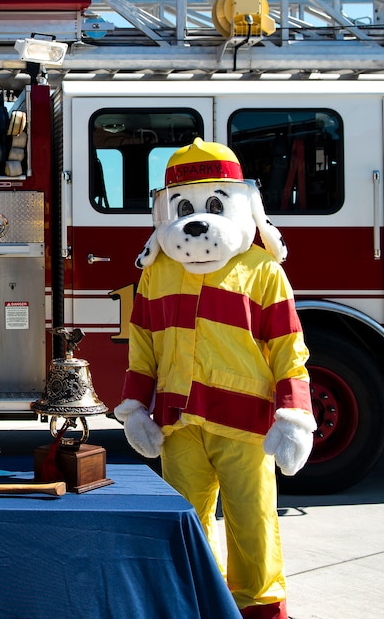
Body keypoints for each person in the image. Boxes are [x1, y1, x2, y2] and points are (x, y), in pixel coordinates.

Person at [115, 139, 315, 619]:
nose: (198, 219)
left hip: (246, 426)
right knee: (185, 525)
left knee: (254, 525)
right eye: (184, 205)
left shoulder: (262, 268)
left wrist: (294, 414)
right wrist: (135, 407)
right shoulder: (156, 272)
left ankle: (261, 611)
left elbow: (289, 346)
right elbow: (142, 345)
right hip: (179, 424)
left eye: (213, 202)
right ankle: (194, 606)